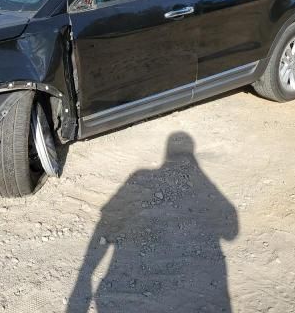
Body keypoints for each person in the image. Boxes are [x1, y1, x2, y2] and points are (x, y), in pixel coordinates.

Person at [67, 132, 238, 312]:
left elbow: (105, 220)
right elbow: (231, 233)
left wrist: (85, 277)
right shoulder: (201, 184)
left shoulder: (139, 176)